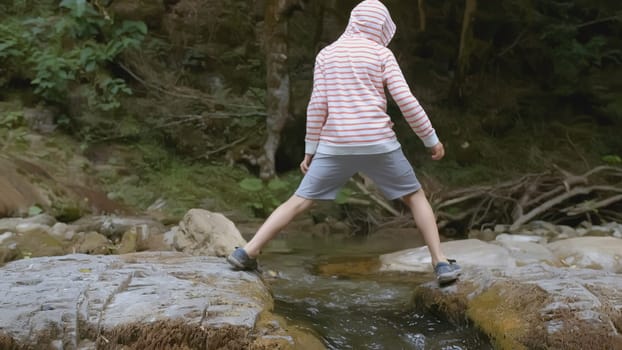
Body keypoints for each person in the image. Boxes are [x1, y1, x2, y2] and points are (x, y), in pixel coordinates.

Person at [227, 0, 461, 283]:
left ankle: (247, 252)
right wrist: (430, 139)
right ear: (381, 27)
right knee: (415, 197)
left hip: (335, 145)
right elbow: (406, 100)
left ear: (353, 20)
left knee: (299, 201)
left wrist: (310, 150)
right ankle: (441, 263)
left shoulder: (327, 55)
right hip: (378, 142)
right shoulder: (381, 54)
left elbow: (317, 106)